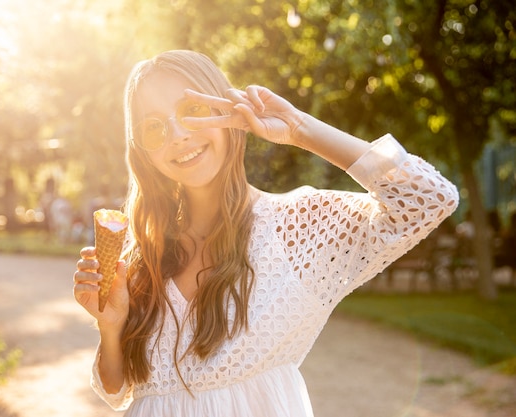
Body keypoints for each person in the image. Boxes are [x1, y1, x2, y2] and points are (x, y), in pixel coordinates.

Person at [73, 50, 459, 417]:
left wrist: (298, 128)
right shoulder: (143, 251)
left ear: (226, 110)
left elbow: (427, 197)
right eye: (154, 127)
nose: (177, 134)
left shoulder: (297, 227)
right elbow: (118, 389)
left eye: (191, 111)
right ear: (144, 151)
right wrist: (111, 326)